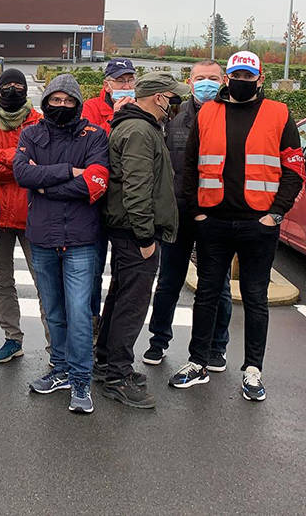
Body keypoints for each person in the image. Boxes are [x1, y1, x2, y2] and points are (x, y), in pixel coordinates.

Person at [170, 51, 304, 402]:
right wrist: (198, 212)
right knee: (208, 294)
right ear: (227, 78)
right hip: (213, 221)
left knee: (256, 298)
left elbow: (294, 169)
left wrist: (276, 213)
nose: (241, 82)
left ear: (260, 79)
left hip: (258, 224)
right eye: (236, 75)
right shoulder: (208, 112)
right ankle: (198, 362)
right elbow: (191, 166)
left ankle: (253, 371)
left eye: (249, 76)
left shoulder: (279, 113)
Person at [13, 73, 108, 414]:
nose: (62, 106)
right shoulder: (31, 134)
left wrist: (46, 183)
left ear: (78, 104)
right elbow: (23, 174)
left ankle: (82, 380)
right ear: (47, 100)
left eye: (69, 101)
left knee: (80, 313)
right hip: (42, 237)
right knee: (53, 311)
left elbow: (96, 182)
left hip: (82, 239)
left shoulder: (95, 136)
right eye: (56, 100)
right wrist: (71, 171)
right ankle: (60, 369)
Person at [95, 72, 189, 410]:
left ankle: (106, 361)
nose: (175, 103)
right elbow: (137, 188)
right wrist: (145, 236)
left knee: (121, 295)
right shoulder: (138, 131)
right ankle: (117, 375)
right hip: (134, 233)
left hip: (129, 230)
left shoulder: (142, 128)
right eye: (172, 97)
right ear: (159, 97)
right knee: (132, 303)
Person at [143, 60, 232, 369]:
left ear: (223, 80)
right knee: (168, 280)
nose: (206, 83)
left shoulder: (230, 118)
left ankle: (216, 346)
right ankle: (158, 341)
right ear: (190, 82)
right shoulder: (174, 119)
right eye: (200, 78)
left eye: (212, 78)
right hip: (179, 215)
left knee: (217, 285)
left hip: (217, 217)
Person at [0, 69, 50, 362]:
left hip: (35, 217)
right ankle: (12, 338)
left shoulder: (42, 122)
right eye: (8, 85)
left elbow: (45, 165)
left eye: (19, 85)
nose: (14, 90)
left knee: (45, 284)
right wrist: (21, 162)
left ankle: (54, 348)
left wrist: (5, 156)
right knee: (2, 282)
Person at [81, 57, 136, 335]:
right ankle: (91, 320)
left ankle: (113, 323)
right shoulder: (91, 108)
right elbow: (91, 148)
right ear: (107, 84)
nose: (126, 86)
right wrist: (115, 118)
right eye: (119, 81)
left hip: (127, 202)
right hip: (96, 202)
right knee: (93, 268)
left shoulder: (140, 107)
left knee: (124, 270)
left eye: (130, 80)